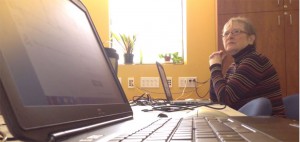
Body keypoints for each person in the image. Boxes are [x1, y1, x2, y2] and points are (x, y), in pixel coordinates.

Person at [209, 17, 285, 117]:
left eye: (236, 32)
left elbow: (225, 100)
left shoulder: (254, 61)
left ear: (251, 39)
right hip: (246, 124)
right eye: (226, 33)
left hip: (267, 128)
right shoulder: (233, 66)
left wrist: (215, 67)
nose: (230, 36)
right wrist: (217, 69)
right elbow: (216, 101)